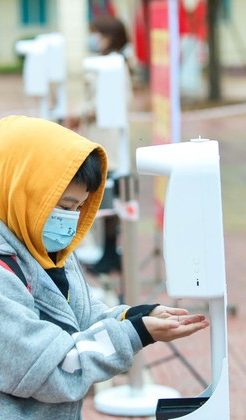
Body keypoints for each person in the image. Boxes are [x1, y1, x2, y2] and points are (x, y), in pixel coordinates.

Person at [0, 115, 209, 420]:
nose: (73, 219)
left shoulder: (44, 249)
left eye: (80, 207)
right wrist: (136, 333)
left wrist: (135, 316)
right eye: (64, 207)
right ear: (25, 193)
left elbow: (83, 321)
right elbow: (53, 369)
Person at [68, 14, 135, 275]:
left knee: (110, 201)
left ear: (108, 36)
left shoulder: (114, 66)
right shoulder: (105, 64)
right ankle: (108, 252)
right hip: (101, 138)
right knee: (106, 200)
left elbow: (107, 103)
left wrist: (81, 113)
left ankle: (110, 253)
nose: (93, 38)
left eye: (96, 33)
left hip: (109, 143)